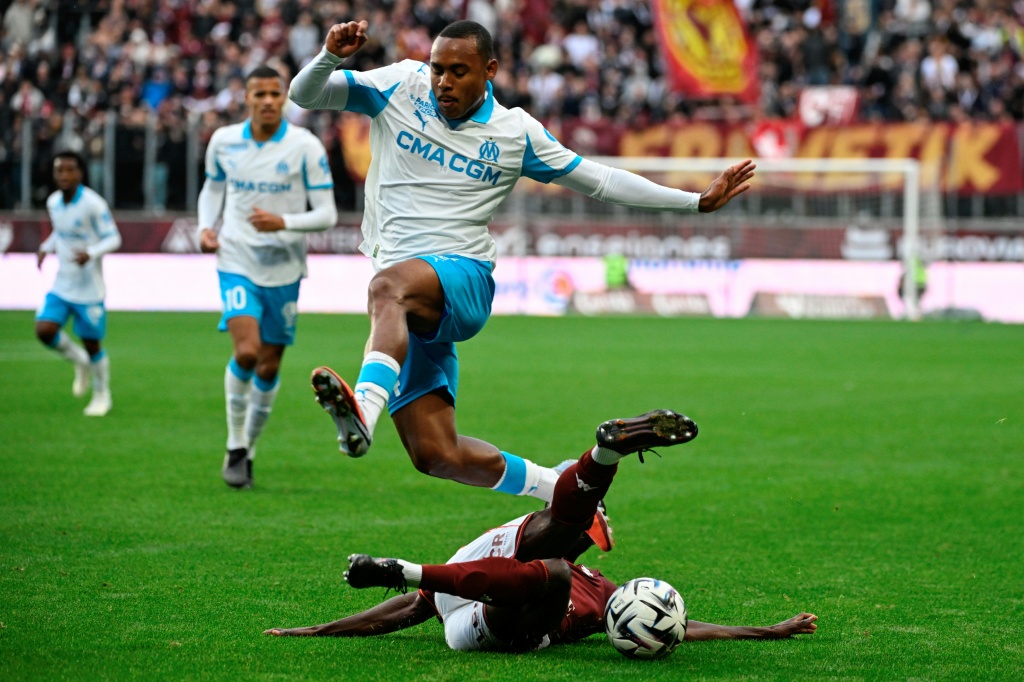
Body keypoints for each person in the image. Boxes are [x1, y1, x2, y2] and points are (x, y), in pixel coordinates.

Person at [288, 20, 755, 504]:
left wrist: (693, 202)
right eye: (437, 69)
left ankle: (364, 407)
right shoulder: (399, 85)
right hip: (408, 307)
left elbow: (600, 180)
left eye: (458, 71)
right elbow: (306, 95)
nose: (443, 81)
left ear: (489, 70)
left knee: (387, 288)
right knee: (436, 453)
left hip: (460, 278)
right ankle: (557, 487)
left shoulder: (515, 133)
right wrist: (329, 55)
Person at [265, 410, 817, 650]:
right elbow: (416, 606)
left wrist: (768, 631)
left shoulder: (605, 605)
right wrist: (317, 630)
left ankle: (401, 566)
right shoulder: (601, 591)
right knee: (553, 548)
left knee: (551, 569)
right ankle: (604, 452)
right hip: (474, 582)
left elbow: (687, 629)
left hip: (489, 621)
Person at [197, 64, 339, 489]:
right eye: (258, 94)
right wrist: (207, 226)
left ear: (284, 97)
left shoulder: (305, 146)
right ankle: (235, 444)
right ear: (246, 98)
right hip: (236, 259)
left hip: (284, 268)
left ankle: (248, 449)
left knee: (270, 364)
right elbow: (212, 190)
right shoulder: (223, 142)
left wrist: (285, 223)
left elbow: (327, 214)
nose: (267, 102)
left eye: (274, 94)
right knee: (247, 352)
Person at [36, 150, 122, 417]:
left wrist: (92, 253)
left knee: (92, 344)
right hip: (63, 284)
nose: (64, 175)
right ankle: (79, 362)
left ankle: (101, 395)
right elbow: (60, 233)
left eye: (70, 169)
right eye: (59, 170)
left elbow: (114, 238)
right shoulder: (53, 203)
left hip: (89, 288)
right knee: (45, 330)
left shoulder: (93, 204)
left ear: (80, 173)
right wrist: (45, 247)